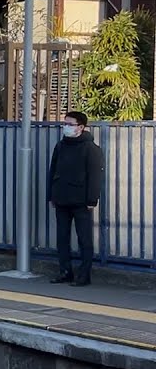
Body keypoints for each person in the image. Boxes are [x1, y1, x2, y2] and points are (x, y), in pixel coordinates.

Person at [47, 110, 104, 287]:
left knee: (84, 239)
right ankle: (65, 271)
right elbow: (52, 171)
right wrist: (51, 195)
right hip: (61, 199)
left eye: (70, 124)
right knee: (62, 238)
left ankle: (84, 275)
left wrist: (91, 200)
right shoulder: (61, 146)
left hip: (81, 202)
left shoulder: (91, 148)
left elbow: (95, 176)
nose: (66, 127)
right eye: (65, 124)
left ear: (81, 127)